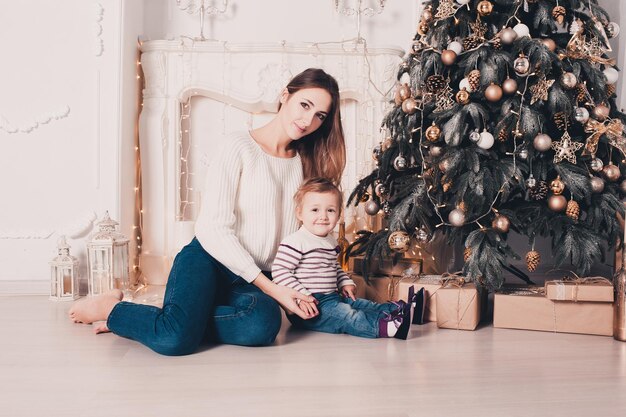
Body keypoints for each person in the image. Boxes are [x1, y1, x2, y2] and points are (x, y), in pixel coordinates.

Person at [69, 68, 347, 355]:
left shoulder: (307, 165)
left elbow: (305, 238)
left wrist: (317, 287)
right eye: (305, 105)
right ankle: (115, 309)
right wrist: (274, 289)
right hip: (209, 258)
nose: (308, 120)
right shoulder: (237, 146)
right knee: (174, 341)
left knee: (262, 325)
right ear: (285, 96)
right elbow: (213, 228)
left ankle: (176, 316)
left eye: (320, 116)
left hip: (253, 276)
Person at [272, 178, 414, 339]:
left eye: (330, 210)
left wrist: (344, 282)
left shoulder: (330, 241)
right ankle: (383, 327)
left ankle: (398, 312)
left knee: (360, 304)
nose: (323, 216)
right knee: (348, 315)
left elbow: (334, 267)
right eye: (315, 210)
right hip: (308, 306)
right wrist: (302, 297)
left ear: (339, 214)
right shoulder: (295, 241)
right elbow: (280, 271)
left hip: (331, 297)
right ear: (300, 213)